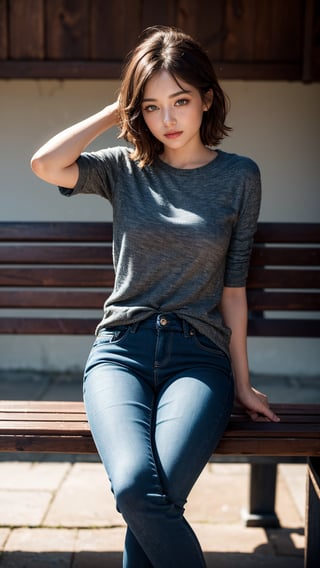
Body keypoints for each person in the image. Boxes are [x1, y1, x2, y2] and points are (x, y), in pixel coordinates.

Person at [31, 25, 279, 568]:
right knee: (136, 490)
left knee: (150, 496)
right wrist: (113, 110)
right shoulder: (124, 168)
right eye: (150, 106)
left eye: (180, 101)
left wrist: (241, 383)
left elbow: (234, 289)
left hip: (199, 358)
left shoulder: (240, 176)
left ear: (206, 99)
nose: (167, 119)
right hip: (121, 352)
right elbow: (46, 163)